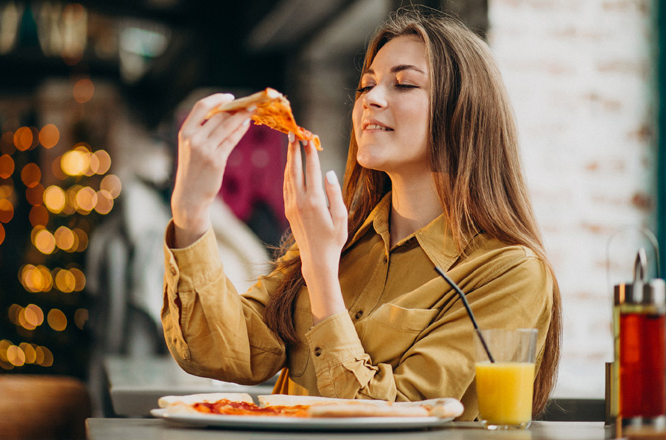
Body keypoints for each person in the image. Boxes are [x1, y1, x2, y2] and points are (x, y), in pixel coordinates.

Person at [160, 8, 561, 420]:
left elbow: (400, 416)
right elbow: (221, 353)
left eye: (403, 84)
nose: (371, 97)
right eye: (366, 85)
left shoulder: (510, 273)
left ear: (463, 112)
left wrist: (320, 270)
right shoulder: (343, 240)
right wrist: (191, 212)